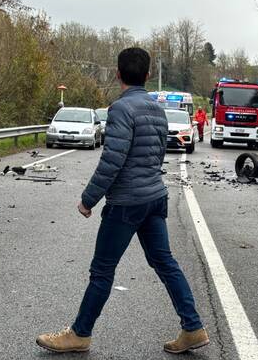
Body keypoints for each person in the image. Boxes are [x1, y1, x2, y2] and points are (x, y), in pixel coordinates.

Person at [36, 48, 209, 354]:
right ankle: (193, 327)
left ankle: (79, 334)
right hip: (155, 197)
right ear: (146, 75)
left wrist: (88, 199)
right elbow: (157, 155)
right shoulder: (158, 110)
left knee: (102, 270)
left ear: (117, 74)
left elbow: (112, 161)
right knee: (165, 262)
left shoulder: (120, 109)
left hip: (127, 202)